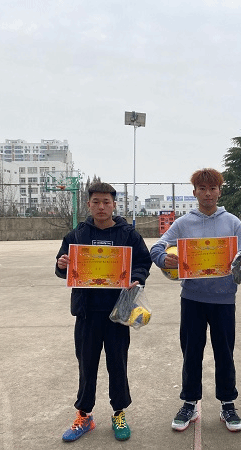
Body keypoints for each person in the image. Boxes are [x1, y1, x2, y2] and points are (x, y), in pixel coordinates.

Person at [150, 168, 241, 433]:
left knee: (225, 353)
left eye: (213, 188)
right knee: (191, 352)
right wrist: (163, 259)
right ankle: (189, 403)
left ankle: (228, 404)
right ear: (195, 192)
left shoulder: (232, 222)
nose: (208, 194)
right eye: (203, 189)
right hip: (192, 299)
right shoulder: (184, 223)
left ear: (220, 191)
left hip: (224, 299)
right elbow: (157, 247)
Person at [55, 182, 152, 442]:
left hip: (118, 313)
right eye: (96, 202)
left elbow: (143, 261)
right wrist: (62, 264)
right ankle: (84, 415)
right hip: (87, 313)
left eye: (106, 202)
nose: (101, 207)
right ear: (88, 204)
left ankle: (119, 413)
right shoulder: (77, 235)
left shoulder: (128, 235)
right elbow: (62, 265)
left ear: (114, 205)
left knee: (117, 364)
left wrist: (137, 277)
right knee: (86, 365)